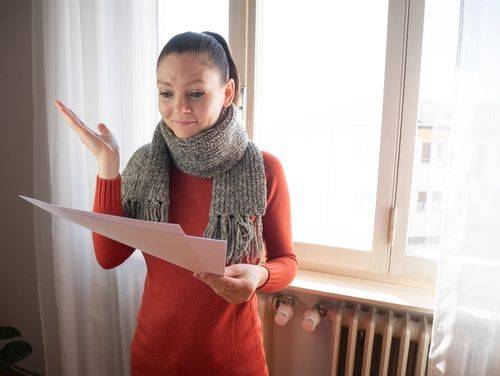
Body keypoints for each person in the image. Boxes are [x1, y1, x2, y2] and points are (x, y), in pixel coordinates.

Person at [54, 31, 297, 376]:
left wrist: (259, 275)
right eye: (166, 92)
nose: (179, 107)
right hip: (154, 358)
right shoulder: (145, 165)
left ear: (227, 93)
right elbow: (109, 257)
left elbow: (287, 261)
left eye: (196, 93)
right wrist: (108, 165)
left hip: (232, 362)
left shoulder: (264, 169)